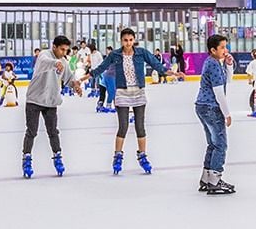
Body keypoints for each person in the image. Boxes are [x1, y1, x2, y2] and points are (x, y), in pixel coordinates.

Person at [93, 28, 169, 175]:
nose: (128, 43)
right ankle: (118, 156)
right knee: (123, 126)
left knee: (140, 126)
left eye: (130, 40)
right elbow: (102, 67)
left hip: (138, 92)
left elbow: (155, 63)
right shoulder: (115, 54)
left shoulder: (141, 52)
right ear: (121, 41)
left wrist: (168, 72)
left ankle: (142, 155)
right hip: (122, 92)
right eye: (125, 40)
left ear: (134, 40)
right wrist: (87, 76)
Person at [23, 36, 81, 179]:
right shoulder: (44, 55)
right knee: (32, 131)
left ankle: (57, 156)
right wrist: (55, 62)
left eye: (66, 50)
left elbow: (69, 79)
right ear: (54, 46)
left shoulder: (64, 62)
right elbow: (44, 62)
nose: (64, 53)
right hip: (34, 100)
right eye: (62, 49)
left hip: (51, 102)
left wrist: (75, 86)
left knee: (53, 132)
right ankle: (26, 158)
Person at [194, 35, 237, 195]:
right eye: (222, 48)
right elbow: (219, 92)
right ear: (213, 50)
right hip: (211, 107)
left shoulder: (214, 62)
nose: (226, 50)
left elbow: (228, 81)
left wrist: (229, 65)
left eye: (226, 47)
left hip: (202, 106)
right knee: (220, 145)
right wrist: (227, 114)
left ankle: (206, 179)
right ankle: (215, 180)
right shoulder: (212, 64)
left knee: (213, 144)